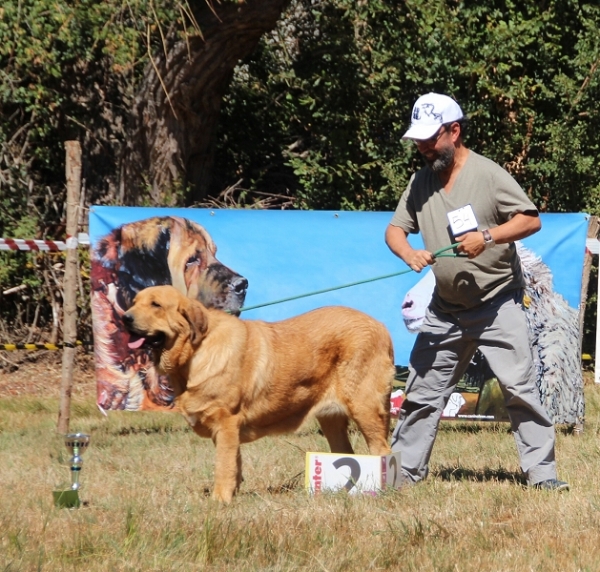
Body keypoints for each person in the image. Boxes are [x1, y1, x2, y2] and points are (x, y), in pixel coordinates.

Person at [385, 92, 569, 491]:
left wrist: (487, 236)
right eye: (417, 139)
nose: (422, 147)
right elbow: (395, 229)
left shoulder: (488, 174)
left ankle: (543, 475)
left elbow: (529, 220)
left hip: (497, 303)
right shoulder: (420, 182)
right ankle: (402, 476)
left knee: (520, 390)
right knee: (419, 396)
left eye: (430, 139)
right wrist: (408, 252)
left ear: (455, 131)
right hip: (444, 310)